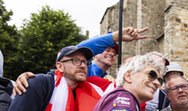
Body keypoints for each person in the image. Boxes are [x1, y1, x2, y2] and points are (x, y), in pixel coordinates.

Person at [13, 27, 149, 94]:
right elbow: (76, 51)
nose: (111, 54)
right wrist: (114, 37)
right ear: (94, 54)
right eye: (107, 50)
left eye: (114, 53)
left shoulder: (110, 80)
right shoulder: (82, 70)